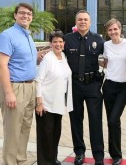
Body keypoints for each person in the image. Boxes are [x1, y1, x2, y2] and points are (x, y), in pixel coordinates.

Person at [0, 3, 43, 165]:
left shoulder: (27, 35)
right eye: (22, 13)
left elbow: (20, 58)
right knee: (12, 130)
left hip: (30, 87)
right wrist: (8, 93)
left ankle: (21, 159)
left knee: (25, 128)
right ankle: (10, 162)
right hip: (15, 87)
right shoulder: (7, 35)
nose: (26, 16)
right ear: (15, 16)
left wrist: (38, 56)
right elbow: (2, 65)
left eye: (29, 14)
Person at [64, 10, 105, 165]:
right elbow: (56, 53)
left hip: (93, 84)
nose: (82, 22)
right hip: (74, 85)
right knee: (76, 120)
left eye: (85, 20)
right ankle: (79, 152)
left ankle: (98, 155)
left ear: (90, 22)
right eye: (80, 19)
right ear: (76, 22)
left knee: (96, 120)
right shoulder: (67, 39)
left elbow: (109, 57)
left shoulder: (98, 40)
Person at [35, 29, 73, 165]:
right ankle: (45, 162)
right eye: (55, 42)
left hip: (58, 103)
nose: (58, 44)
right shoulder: (47, 59)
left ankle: (52, 159)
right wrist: (39, 103)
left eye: (60, 41)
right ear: (50, 43)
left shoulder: (63, 56)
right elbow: (38, 80)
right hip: (46, 104)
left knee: (55, 135)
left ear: (64, 43)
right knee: (46, 136)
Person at [102, 19, 126, 165]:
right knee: (111, 121)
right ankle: (114, 153)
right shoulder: (106, 45)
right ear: (107, 32)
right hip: (108, 86)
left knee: (114, 119)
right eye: (110, 30)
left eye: (115, 29)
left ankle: (117, 154)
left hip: (123, 87)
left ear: (120, 29)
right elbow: (106, 63)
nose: (113, 32)